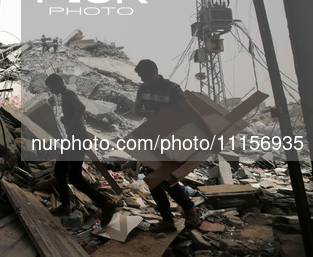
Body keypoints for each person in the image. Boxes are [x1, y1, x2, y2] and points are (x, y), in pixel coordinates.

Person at [133, 59, 202, 233]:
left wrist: (209, 135)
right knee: (154, 178)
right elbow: (136, 110)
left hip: (174, 139)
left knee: (160, 177)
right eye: (140, 76)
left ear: (155, 71)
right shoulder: (143, 88)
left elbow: (189, 111)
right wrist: (147, 112)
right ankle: (173, 217)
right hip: (155, 138)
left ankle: (186, 210)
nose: (142, 79)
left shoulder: (172, 88)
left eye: (145, 75)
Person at [45, 73, 117, 227]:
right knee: (59, 170)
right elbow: (83, 114)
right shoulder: (67, 95)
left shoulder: (68, 93)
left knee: (75, 177)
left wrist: (71, 125)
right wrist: (68, 120)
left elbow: (82, 108)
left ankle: (106, 204)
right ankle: (66, 205)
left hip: (77, 139)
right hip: (73, 139)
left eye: (51, 86)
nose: (51, 90)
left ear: (58, 83)